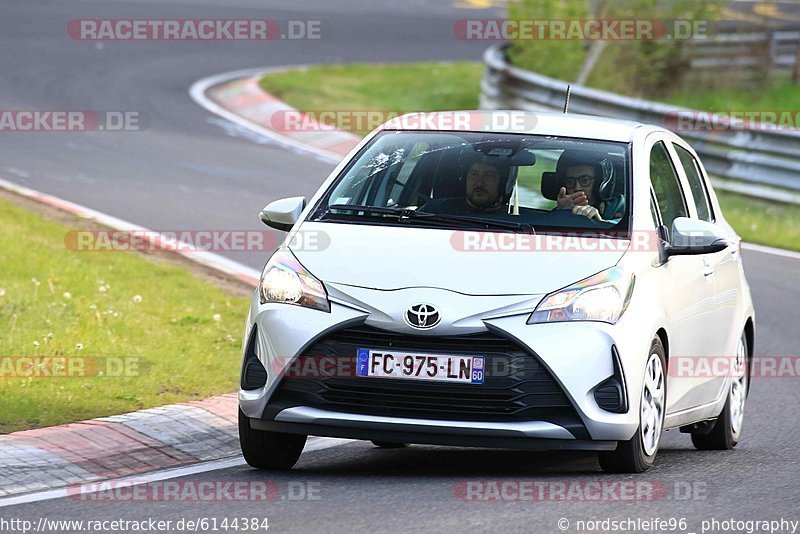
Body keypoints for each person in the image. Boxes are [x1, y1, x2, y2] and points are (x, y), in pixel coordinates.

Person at [421, 156, 511, 215]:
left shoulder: (517, 222)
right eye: (474, 174)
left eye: (488, 175)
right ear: (465, 179)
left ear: (503, 183)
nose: (479, 182)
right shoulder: (433, 211)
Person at [554, 149, 625, 222]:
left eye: (585, 180)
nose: (577, 188)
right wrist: (562, 213)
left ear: (600, 182)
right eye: (570, 181)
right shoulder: (562, 209)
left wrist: (599, 222)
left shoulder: (627, 209)